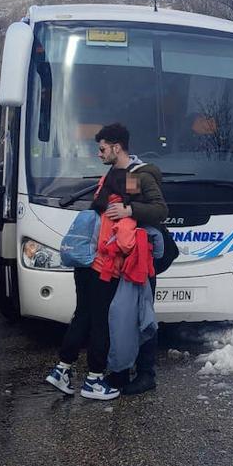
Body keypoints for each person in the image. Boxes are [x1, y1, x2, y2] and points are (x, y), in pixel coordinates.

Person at [45, 123, 166, 400]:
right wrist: (128, 210)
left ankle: (64, 370)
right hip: (102, 263)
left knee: (86, 317)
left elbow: (157, 208)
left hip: (92, 261)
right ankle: (93, 380)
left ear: (116, 146)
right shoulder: (117, 176)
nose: (98, 154)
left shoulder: (126, 177)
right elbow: (129, 212)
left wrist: (130, 208)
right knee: (99, 320)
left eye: (101, 149)